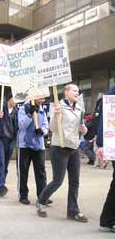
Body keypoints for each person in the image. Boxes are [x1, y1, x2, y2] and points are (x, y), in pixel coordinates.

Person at [36, 84, 88, 222]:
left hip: (74, 147)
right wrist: (55, 116)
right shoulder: (58, 106)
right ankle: (41, 201)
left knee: (75, 181)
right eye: (74, 90)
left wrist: (84, 129)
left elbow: (82, 128)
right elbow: (52, 128)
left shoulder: (79, 107)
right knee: (58, 180)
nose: (77, 92)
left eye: (78, 90)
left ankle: (73, 210)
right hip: (60, 147)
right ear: (66, 92)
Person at [17, 98, 49, 205]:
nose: (42, 100)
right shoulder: (23, 109)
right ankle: (23, 195)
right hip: (25, 145)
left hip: (39, 145)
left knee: (41, 172)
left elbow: (46, 125)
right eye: (41, 98)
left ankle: (42, 196)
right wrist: (30, 114)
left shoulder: (41, 110)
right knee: (23, 171)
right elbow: (21, 126)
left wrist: (42, 131)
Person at [0, 93, 18, 196]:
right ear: (10, 99)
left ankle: (1, 181)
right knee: (0, 161)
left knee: (5, 163)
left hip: (10, 140)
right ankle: (1, 185)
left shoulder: (16, 111)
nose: (16, 101)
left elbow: (17, 126)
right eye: (15, 99)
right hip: (0, 139)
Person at [97, 86, 115, 233]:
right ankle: (108, 219)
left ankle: (107, 219)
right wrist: (102, 144)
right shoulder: (113, 92)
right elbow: (106, 115)